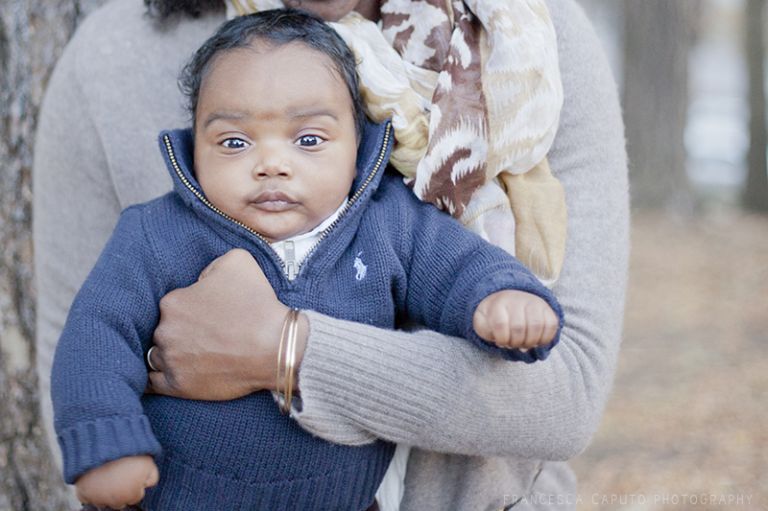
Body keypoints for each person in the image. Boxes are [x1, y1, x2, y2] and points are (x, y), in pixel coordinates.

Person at [34, 0, 629, 509]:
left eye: (309, 139)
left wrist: (282, 348)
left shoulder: (523, 37)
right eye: (235, 142)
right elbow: (88, 337)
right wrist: (106, 445)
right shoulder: (154, 213)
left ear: (362, 146)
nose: (272, 164)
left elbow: (550, 377)